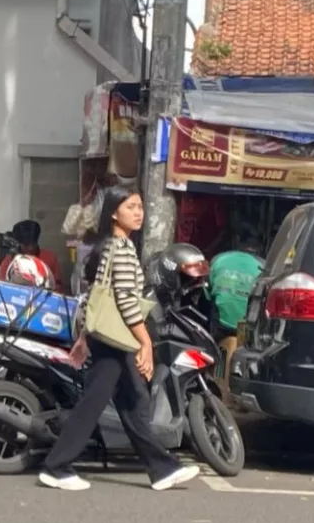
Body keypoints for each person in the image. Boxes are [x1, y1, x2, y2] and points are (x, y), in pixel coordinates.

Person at [38, 187, 201, 493]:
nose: (139, 212)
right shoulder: (121, 249)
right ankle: (56, 466)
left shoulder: (108, 247)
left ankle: (161, 469)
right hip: (116, 340)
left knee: (133, 402)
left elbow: (97, 298)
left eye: (140, 206)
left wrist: (86, 336)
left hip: (108, 337)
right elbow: (125, 300)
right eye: (131, 207)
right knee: (95, 404)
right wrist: (146, 342)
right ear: (114, 212)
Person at [0, 219, 62, 291]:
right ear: (20, 243)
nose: (30, 248)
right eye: (26, 245)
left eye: (33, 244)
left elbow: (58, 288)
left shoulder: (50, 258)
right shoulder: (9, 262)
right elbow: (2, 288)